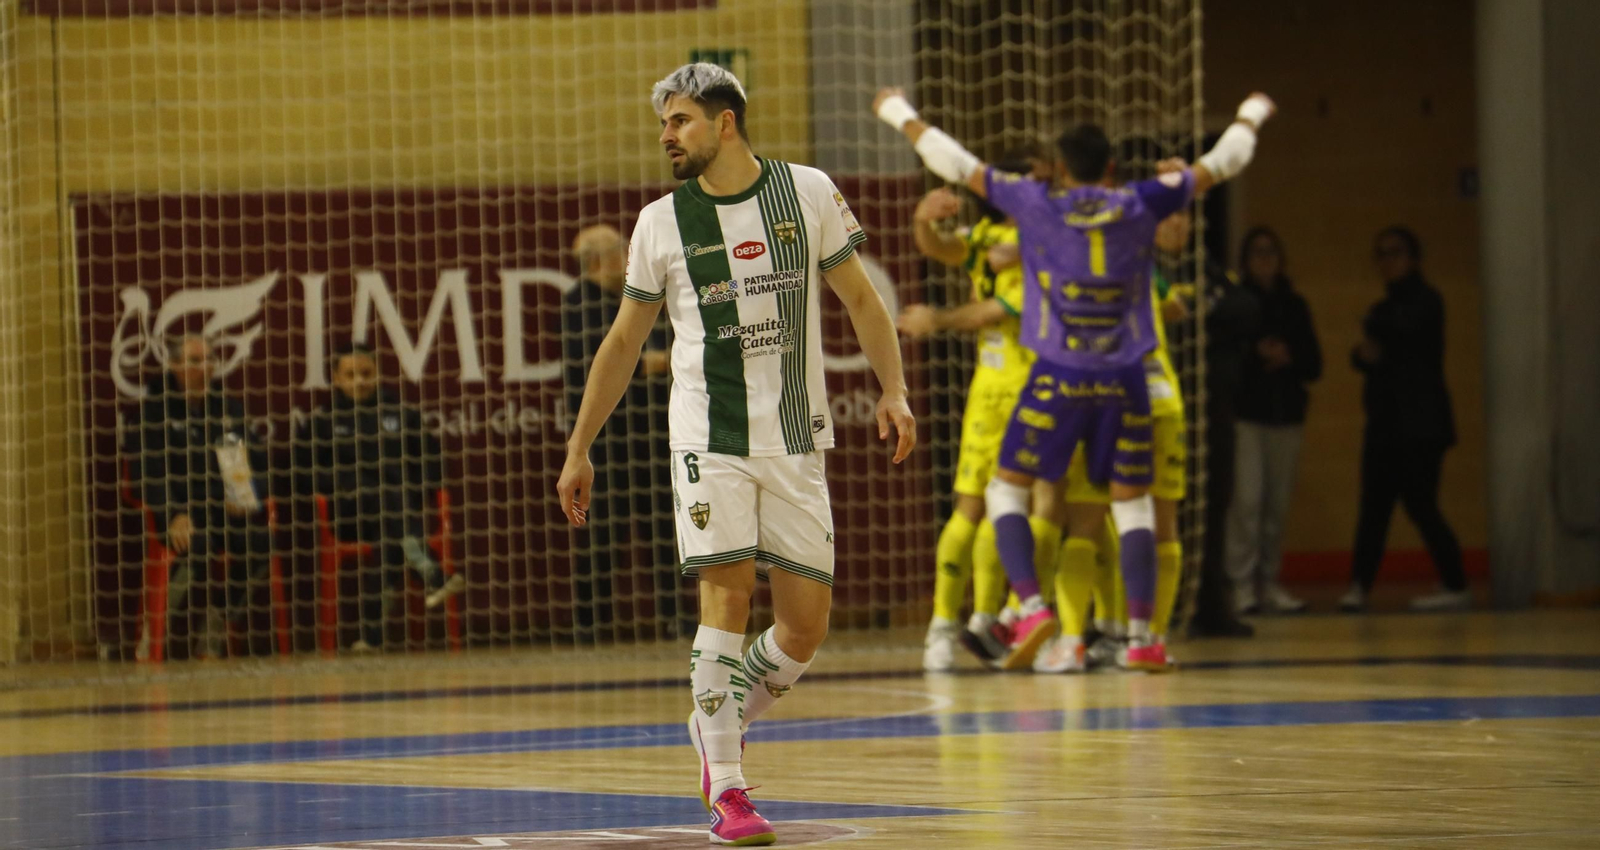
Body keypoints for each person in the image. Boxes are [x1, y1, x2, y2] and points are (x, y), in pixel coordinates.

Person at [557, 63, 914, 846]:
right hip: (707, 440)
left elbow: (862, 298)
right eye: (663, 124)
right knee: (726, 598)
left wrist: (893, 391)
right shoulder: (659, 222)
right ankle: (729, 788)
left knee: (804, 629)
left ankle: (713, 717)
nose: (665, 137)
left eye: (679, 121)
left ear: (725, 123)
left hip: (794, 438)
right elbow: (623, 342)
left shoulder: (807, 191)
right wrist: (580, 445)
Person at [873, 85, 1276, 671]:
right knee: (1131, 506)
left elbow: (952, 160)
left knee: (1007, 491)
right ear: (1111, 167)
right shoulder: (1140, 202)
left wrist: (897, 112)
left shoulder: (1037, 203)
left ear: (1059, 170)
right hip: (1127, 379)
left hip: (1058, 376)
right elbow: (1228, 159)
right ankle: (1141, 638)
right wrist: (1250, 112)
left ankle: (1028, 608)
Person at [894, 148, 1053, 672]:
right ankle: (967, 621)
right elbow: (944, 250)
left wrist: (936, 319)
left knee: (1000, 506)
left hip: (1011, 383)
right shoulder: (1011, 239)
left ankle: (981, 621)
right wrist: (922, 219)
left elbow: (993, 302)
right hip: (1017, 386)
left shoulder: (1027, 241)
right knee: (997, 505)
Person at [295, 344, 459, 652]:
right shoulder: (322, 421)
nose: (360, 381)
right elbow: (305, 472)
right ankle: (430, 571)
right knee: (387, 506)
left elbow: (431, 461)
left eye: (366, 373)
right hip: (347, 514)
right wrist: (339, 486)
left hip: (396, 512)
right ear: (337, 378)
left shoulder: (401, 414)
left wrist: (414, 490)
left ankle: (370, 638)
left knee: (389, 536)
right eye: (351, 374)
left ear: (377, 373)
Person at [560, 223, 680, 641]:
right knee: (601, 532)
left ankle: (676, 619)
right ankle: (591, 628)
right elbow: (612, 361)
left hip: (650, 434)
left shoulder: (638, 297)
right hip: (606, 439)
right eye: (619, 250)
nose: (627, 255)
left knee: (664, 527)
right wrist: (668, 359)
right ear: (597, 260)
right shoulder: (579, 303)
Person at [126, 334, 274, 659]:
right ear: (175, 365)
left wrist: (245, 493)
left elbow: (255, 464)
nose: (203, 367)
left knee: (260, 542)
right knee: (198, 547)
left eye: (209, 359)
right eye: (194, 360)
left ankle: (219, 620)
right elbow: (148, 474)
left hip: (224, 511)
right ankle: (155, 629)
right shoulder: (153, 412)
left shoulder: (227, 409)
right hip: (181, 514)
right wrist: (172, 514)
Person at [1343, 226, 1466, 612]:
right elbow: (1365, 352)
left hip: (1421, 427)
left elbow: (1399, 333)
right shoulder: (1384, 307)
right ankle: (1359, 586)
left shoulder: (1428, 301)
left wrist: (1375, 345)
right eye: (1381, 254)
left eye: (1395, 252)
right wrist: (1364, 355)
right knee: (1374, 508)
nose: (1387, 261)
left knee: (1420, 503)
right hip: (1384, 424)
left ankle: (1456, 583)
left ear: (1413, 258)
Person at [1226, 227, 1322, 614]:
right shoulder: (1237, 303)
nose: (1264, 259)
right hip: (1248, 415)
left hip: (1287, 415)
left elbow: (1315, 364)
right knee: (1247, 502)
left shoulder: (1295, 305)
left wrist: (1289, 357)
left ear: (1281, 258)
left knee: (1276, 506)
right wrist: (1256, 354)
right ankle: (1241, 585)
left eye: (1271, 251)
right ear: (1245, 260)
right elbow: (1228, 360)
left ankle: (1270, 581)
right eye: (1256, 252)